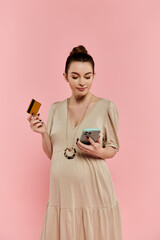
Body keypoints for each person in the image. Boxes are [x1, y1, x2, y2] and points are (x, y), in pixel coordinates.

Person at [27, 45, 122, 240]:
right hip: (62, 194)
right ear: (65, 76)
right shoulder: (55, 109)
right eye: (75, 76)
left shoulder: (106, 107)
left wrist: (98, 151)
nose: (82, 82)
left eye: (88, 76)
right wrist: (43, 133)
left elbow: (112, 149)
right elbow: (53, 153)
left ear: (94, 75)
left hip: (94, 189)